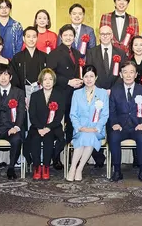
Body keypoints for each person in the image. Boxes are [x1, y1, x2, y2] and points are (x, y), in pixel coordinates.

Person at [108, 60, 142, 182]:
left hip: (138, 126)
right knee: (113, 137)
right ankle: (117, 171)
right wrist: (115, 123)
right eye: (125, 72)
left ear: (136, 74)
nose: (128, 75)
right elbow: (112, 110)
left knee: (141, 138)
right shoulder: (115, 90)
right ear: (120, 74)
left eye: (131, 72)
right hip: (121, 126)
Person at [47, 24, 83, 171]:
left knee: (71, 126)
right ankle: (56, 157)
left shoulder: (78, 53)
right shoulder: (54, 53)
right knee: (57, 127)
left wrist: (80, 81)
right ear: (61, 37)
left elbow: (80, 72)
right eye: (65, 35)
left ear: (74, 37)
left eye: (71, 35)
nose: (68, 37)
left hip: (75, 95)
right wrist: (68, 81)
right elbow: (50, 75)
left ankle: (69, 155)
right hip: (59, 95)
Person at [67, 65, 109, 182]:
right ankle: (73, 168)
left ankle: (78, 168)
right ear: (82, 78)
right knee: (86, 136)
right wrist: (80, 127)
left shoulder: (103, 93)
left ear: (96, 77)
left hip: (96, 130)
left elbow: (105, 115)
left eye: (91, 76)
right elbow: (73, 114)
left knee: (89, 136)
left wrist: (96, 128)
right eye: (86, 76)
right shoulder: (76, 94)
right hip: (80, 129)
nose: (89, 79)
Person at [26, 68, 65, 180]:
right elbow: (32, 115)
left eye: (50, 79)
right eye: (45, 79)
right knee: (35, 139)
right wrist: (40, 128)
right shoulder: (35, 95)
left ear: (54, 81)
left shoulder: (59, 95)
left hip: (53, 127)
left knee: (48, 139)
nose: (48, 82)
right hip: (37, 127)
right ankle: (37, 166)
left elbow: (59, 116)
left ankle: (46, 166)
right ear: (41, 81)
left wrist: (48, 128)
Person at [10, 27, 48, 101]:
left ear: (37, 38)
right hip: (22, 93)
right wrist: (20, 94)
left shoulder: (45, 56)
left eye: (34, 37)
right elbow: (14, 78)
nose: (31, 39)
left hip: (41, 91)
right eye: (28, 36)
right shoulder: (17, 57)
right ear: (23, 38)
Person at [87, 24, 127, 90]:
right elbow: (90, 72)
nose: (105, 36)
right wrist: (100, 90)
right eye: (102, 34)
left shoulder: (121, 53)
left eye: (108, 34)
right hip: (96, 90)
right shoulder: (91, 52)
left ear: (112, 36)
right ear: (99, 36)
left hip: (116, 90)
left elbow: (123, 72)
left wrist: (113, 89)